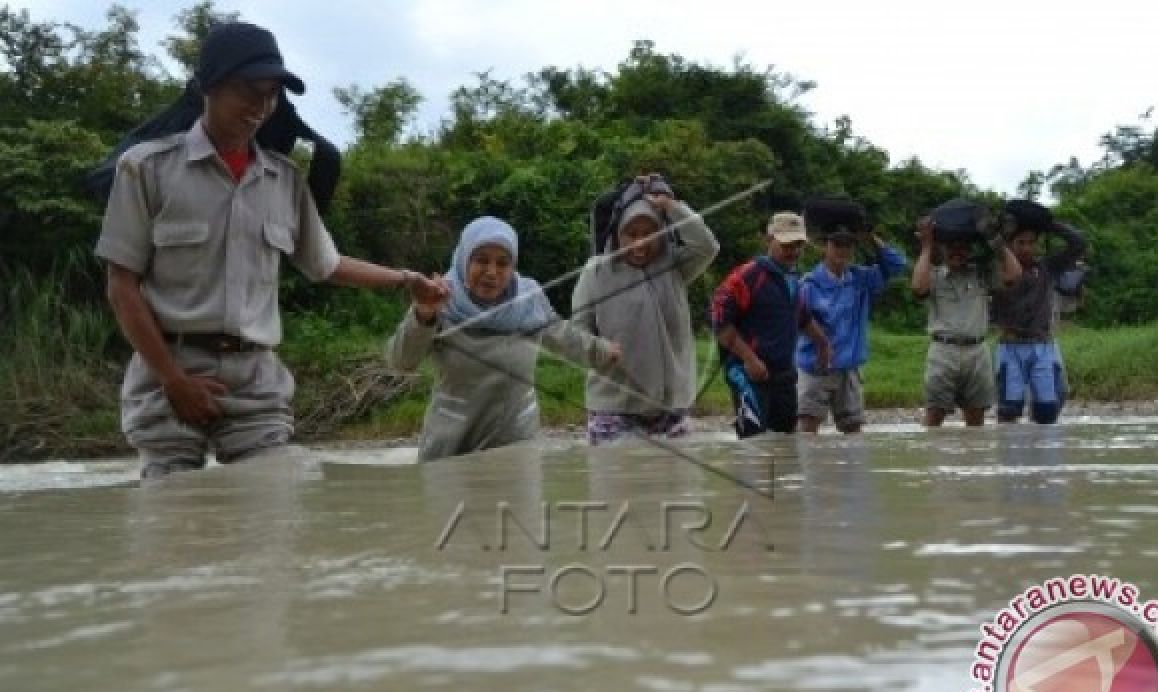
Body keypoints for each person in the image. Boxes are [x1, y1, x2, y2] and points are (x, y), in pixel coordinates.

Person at [95, 21, 446, 479]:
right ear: (209, 86)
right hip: (170, 372)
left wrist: (406, 279)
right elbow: (122, 285)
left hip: (256, 379)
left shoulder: (285, 180)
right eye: (249, 90)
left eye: (272, 94)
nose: (262, 106)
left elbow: (327, 265)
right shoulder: (147, 168)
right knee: (172, 517)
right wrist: (172, 380)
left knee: (273, 509)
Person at [385, 217, 621, 462]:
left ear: (513, 266)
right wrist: (423, 315)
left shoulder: (528, 302)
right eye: (481, 260)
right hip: (452, 447)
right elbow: (401, 361)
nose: (491, 272)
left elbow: (563, 336)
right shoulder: (439, 299)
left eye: (502, 263)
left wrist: (604, 353)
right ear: (464, 259)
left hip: (517, 444)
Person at [571, 176, 719, 445]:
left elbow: (707, 246)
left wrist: (671, 207)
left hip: (672, 407)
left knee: (676, 482)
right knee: (618, 481)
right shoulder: (596, 271)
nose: (640, 243)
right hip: (614, 408)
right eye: (631, 233)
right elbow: (578, 330)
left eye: (648, 233)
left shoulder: (674, 265)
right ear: (618, 234)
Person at [710, 212, 832, 438]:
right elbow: (720, 323)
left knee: (785, 439)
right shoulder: (746, 277)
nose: (793, 251)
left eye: (798, 245)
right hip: (747, 372)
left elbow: (802, 317)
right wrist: (750, 359)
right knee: (753, 439)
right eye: (787, 244)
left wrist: (822, 343)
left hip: (784, 372)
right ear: (769, 241)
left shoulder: (794, 277)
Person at [911, 204, 1021, 427]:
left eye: (962, 246)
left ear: (970, 249)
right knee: (934, 417)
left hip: (977, 352)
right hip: (943, 352)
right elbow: (918, 288)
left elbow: (1015, 275)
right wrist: (926, 247)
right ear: (942, 249)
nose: (957, 251)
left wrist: (997, 242)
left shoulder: (982, 274)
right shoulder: (935, 275)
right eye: (951, 246)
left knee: (976, 423)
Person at [795, 219, 907, 434]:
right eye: (837, 244)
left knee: (854, 433)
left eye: (848, 245)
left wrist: (872, 239)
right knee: (807, 428)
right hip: (815, 368)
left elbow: (897, 266)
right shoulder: (808, 285)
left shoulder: (860, 279)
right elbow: (798, 323)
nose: (843, 250)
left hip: (849, 369)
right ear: (825, 246)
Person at [991, 200, 1087, 424]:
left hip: (1042, 345)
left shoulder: (1047, 267)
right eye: (1020, 242)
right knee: (1009, 410)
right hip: (1010, 345)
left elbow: (1078, 244)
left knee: (1046, 411)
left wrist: (1050, 225)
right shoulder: (996, 268)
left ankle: (1042, 456)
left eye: (1031, 243)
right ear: (1010, 244)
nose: (1026, 248)